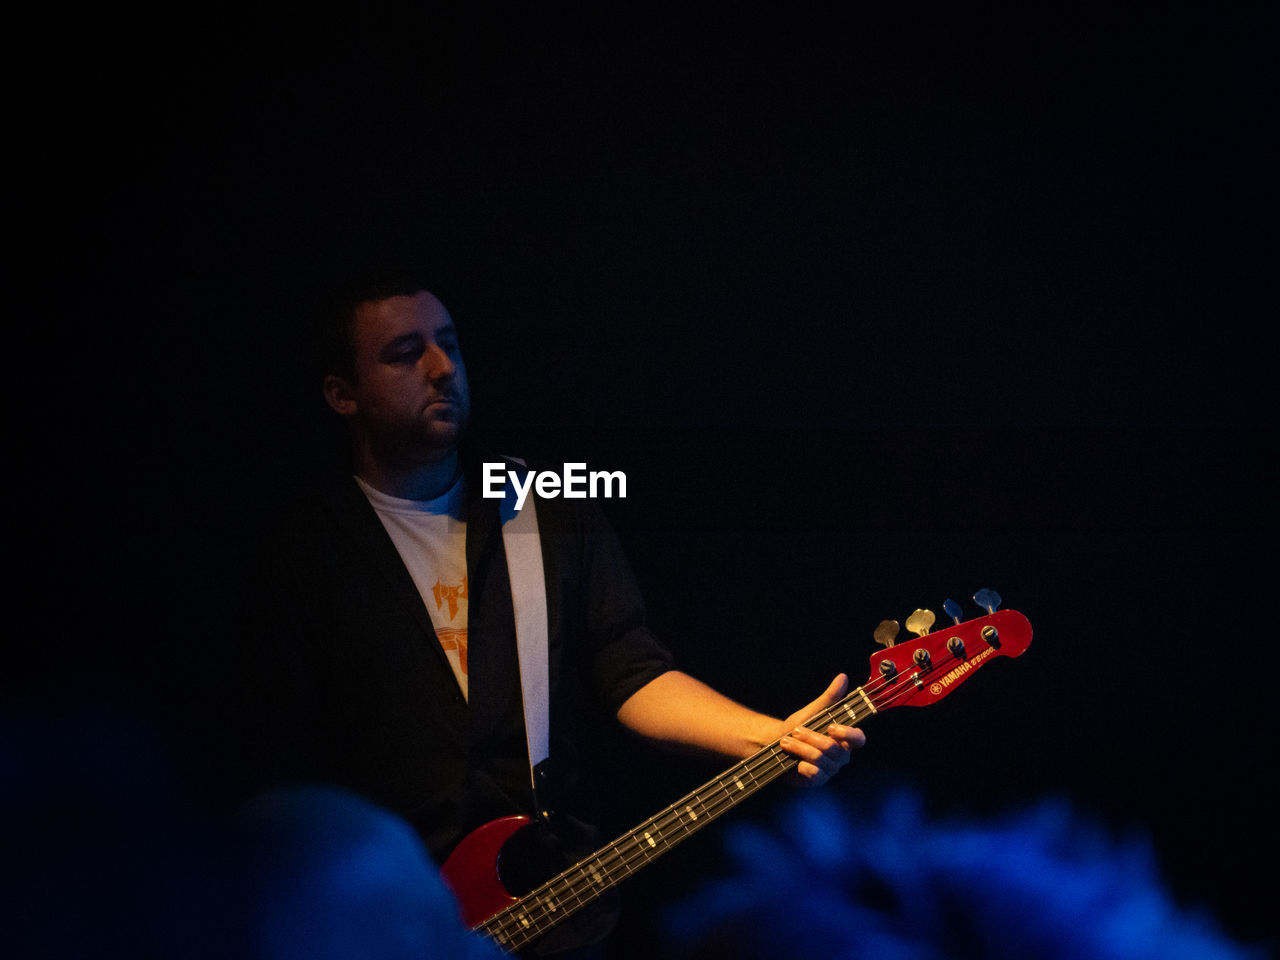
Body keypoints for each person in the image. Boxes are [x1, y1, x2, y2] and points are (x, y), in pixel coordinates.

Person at [236, 268, 865, 957]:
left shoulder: (542, 506)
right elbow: (265, 764)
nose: (442, 368)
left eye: (448, 343)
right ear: (341, 394)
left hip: (553, 907)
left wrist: (768, 734)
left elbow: (630, 669)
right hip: (383, 925)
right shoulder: (299, 548)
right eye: (405, 353)